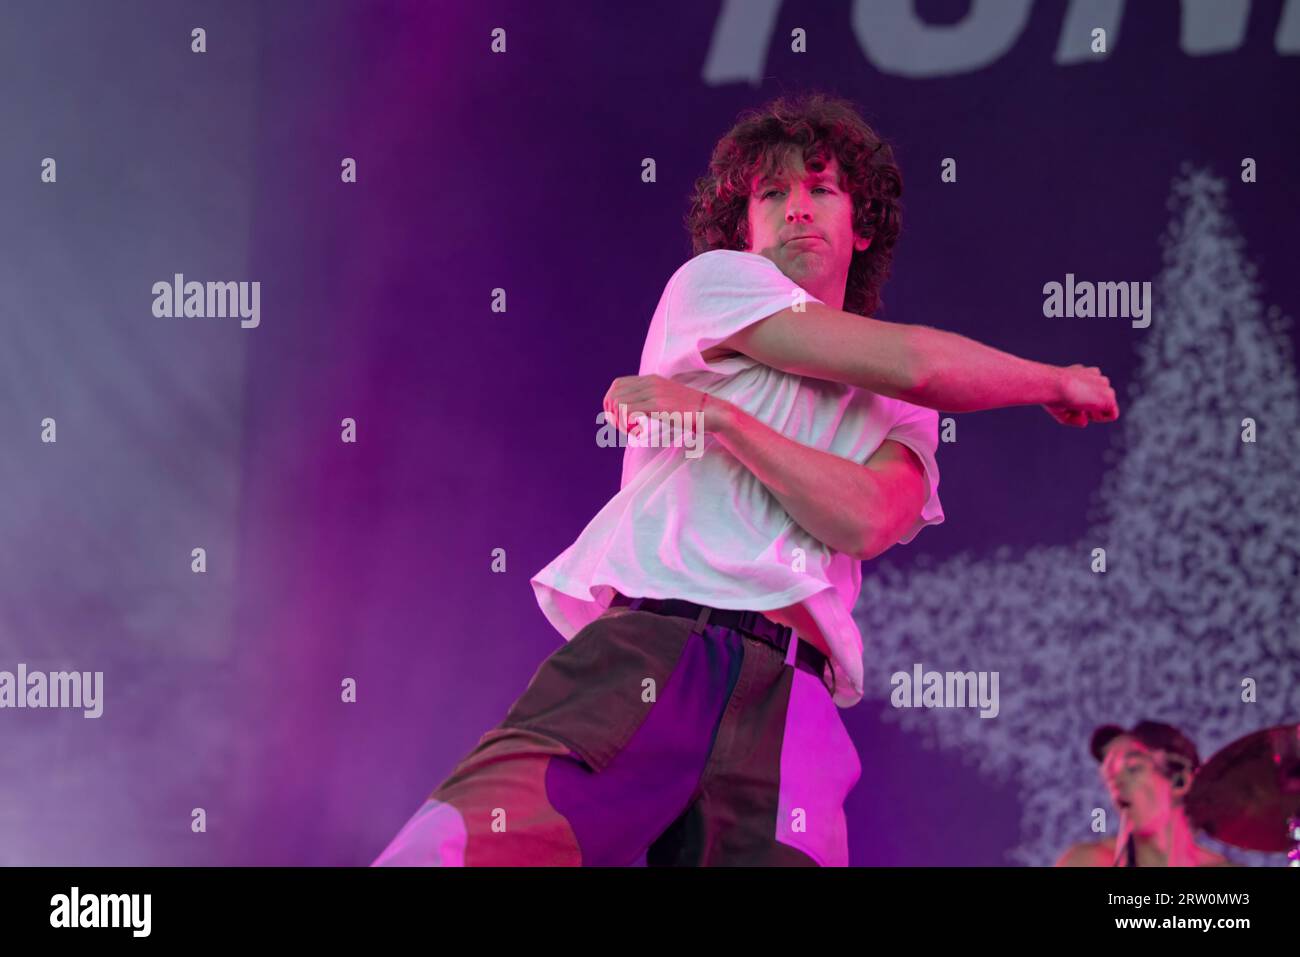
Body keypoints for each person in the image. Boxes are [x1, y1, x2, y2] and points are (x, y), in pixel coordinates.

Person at [372, 92, 1119, 867]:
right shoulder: (714, 284)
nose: (798, 208)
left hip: (794, 699)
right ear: (745, 229)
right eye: (773, 194)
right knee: (454, 852)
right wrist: (1055, 381)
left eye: (821, 188)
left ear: (861, 226)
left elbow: (864, 519)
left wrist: (721, 419)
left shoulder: (909, 406)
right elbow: (921, 363)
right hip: (653, 650)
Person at [1055, 720, 1233, 867]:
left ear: (1180, 781)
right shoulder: (1087, 862)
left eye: (1133, 768)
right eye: (1110, 775)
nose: (1117, 783)